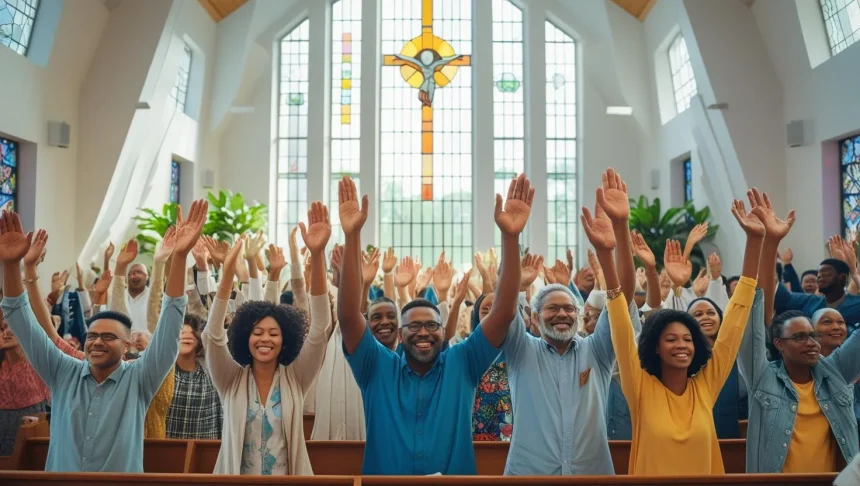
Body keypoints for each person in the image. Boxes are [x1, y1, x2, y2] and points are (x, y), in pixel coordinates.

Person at [338, 174, 532, 475]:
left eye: (432, 325)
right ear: (400, 336)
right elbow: (350, 316)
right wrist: (352, 237)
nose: (424, 332)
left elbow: (504, 312)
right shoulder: (376, 367)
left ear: (444, 332)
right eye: (413, 327)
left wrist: (510, 237)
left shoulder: (463, 362)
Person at [0, 202, 205, 471]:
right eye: (92, 336)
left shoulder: (139, 379)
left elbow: (169, 327)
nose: (97, 341)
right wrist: (10, 266)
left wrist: (178, 259)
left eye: (109, 337)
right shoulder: (63, 372)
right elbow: (22, 321)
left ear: (128, 344)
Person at [595, 174, 761, 476]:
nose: (681, 345)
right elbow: (620, 327)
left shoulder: (705, 385)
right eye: (671, 339)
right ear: (655, 347)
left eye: (687, 339)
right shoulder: (640, 387)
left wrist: (755, 243)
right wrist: (611, 248)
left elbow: (733, 328)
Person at [502, 169, 641, 476]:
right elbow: (504, 306)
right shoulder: (520, 350)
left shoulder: (598, 351)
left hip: (592, 474)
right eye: (552, 309)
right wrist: (511, 238)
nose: (562, 314)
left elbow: (623, 298)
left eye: (569, 309)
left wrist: (617, 235)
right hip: (529, 475)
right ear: (535, 319)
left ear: (579, 317)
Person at [202, 201, 332, 475]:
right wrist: (226, 274)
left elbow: (320, 328)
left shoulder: (296, 377)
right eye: (257, 332)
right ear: (245, 337)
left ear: (285, 340)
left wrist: (318, 255)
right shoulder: (230, 380)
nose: (265, 339)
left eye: (274, 333)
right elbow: (213, 336)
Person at [739, 191, 860, 473]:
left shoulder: (835, 373)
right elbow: (754, 317)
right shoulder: (762, 377)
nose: (811, 342)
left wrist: (855, 272)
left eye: (813, 335)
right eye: (800, 337)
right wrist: (768, 243)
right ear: (779, 344)